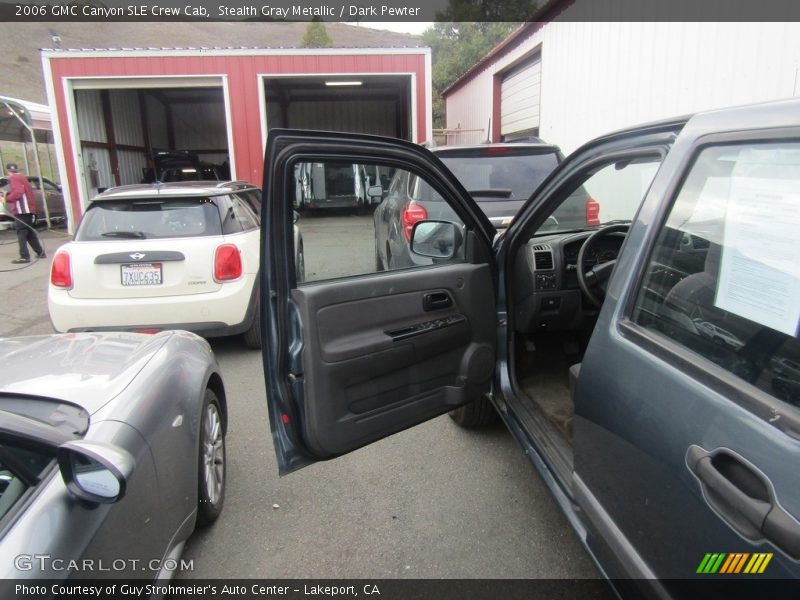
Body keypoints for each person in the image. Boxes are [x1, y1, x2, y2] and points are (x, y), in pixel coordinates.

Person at [2, 163, 45, 264]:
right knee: (29, 233)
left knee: (21, 233)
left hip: (22, 211)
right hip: (28, 210)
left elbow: (18, 193)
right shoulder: (22, 177)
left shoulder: (13, 178)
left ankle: (24, 256)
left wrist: (6, 198)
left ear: (7, 171)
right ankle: (40, 252)